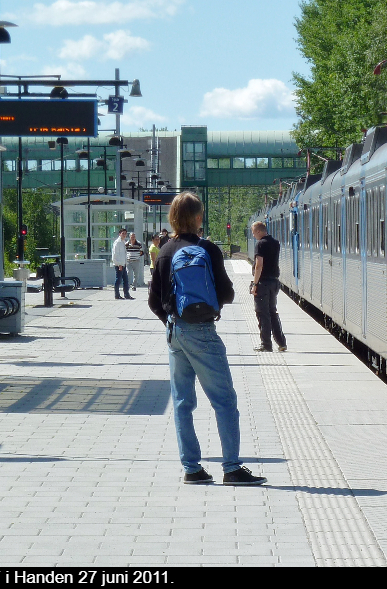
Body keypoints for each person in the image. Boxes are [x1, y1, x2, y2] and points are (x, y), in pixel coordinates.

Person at [148, 192, 266, 486]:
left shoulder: (165, 250)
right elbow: (227, 293)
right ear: (198, 218)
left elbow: (153, 301)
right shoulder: (207, 249)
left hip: (175, 332)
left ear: (172, 218)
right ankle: (232, 468)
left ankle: (192, 469)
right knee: (224, 400)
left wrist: (173, 322)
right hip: (202, 331)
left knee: (182, 402)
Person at [251, 221, 287, 353]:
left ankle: (266, 344)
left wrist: (255, 284)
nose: (253, 235)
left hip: (263, 283)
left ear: (259, 231)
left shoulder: (260, 244)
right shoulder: (275, 243)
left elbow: (259, 265)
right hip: (274, 282)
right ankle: (281, 343)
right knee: (272, 312)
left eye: (253, 232)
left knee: (263, 313)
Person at [111, 228, 134, 300]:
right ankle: (117, 295)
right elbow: (115, 254)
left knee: (125, 280)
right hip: (119, 265)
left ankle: (127, 295)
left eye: (125, 233)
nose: (124, 235)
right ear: (119, 234)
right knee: (118, 280)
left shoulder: (124, 242)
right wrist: (119, 264)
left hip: (123, 264)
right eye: (123, 233)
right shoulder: (117, 243)